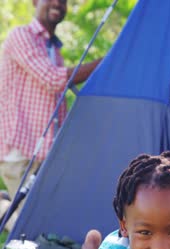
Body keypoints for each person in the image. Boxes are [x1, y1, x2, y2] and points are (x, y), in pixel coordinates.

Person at [0, 0, 102, 222]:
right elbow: (53, 79)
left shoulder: (54, 49)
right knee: (30, 229)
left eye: (64, 1)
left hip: (43, 154)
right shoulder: (21, 36)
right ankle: (4, 208)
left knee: (44, 222)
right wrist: (104, 63)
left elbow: (56, 106)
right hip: (19, 151)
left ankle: (6, 207)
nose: (58, 3)